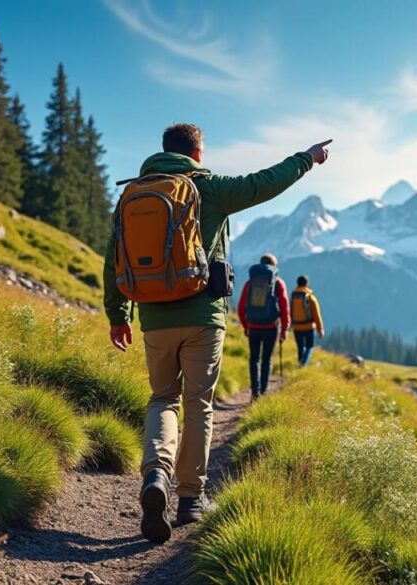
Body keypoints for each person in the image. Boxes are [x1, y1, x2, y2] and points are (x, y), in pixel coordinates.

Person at [104, 123, 331, 544]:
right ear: (196, 153)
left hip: (154, 317)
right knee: (198, 403)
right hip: (203, 317)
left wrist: (119, 315)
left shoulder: (132, 193)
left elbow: (113, 259)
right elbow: (264, 183)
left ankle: (156, 473)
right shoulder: (208, 189)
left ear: (163, 151)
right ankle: (191, 499)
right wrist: (307, 158)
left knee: (163, 399)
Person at [236, 253, 289, 399]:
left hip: (253, 327)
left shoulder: (250, 283)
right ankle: (264, 391)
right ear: (274, 266)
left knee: (254, 359)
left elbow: (241, 307)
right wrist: (285, 329)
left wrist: (246, 325)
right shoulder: (278, 283)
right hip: (271, 327)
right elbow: (285, 309)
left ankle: (255, 392)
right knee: (267, 358)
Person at [290, 275, 324, 366]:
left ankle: (300, 363)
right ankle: (303, 364)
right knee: (310, 347)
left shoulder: (293, 296)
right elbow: (317, 314)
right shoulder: (310, 296)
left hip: (296, 327)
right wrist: (320, 330)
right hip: (309, 326)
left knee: (300, 347)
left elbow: (290, 310)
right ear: (307, 284)